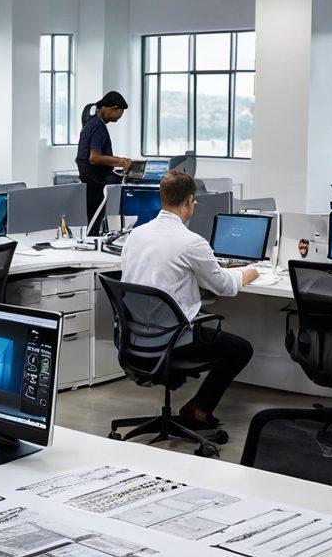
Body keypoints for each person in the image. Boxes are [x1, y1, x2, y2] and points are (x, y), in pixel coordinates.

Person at [120, 170, 258, 428]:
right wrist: (250, 272)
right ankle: (199, 407)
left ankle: (196, 407)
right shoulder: (191, 242)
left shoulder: (135, 236)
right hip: (172, 342)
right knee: (241, 349)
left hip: (136, 339)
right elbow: (224, 287)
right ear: (189, 201)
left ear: (162, 197)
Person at [76, 91, 131, 235]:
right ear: (113, 108)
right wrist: (120, 161)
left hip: (92, 181)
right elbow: (94, 157)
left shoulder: (93, 123)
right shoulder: (98, 126)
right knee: (94, 222)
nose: (120, 117)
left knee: (93, 220)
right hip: (95, 182)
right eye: (120, 112)